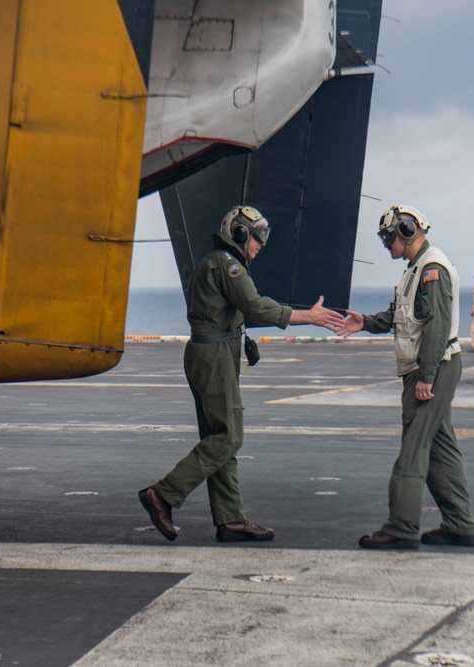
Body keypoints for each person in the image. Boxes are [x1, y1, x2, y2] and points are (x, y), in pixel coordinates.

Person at [139, 205, 344, 543]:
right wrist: (309, 316)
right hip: (215, 356)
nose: (262, 243)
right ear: (239, 233)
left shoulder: (217, 263)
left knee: (219, 438)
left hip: (210, 353)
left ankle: (230, 519)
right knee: (229, 437)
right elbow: (256, 306)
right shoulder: (228, 265)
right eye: (258, 235)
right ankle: (163, 494)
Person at [337, 205, 474, 549]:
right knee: (441, 448)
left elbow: (437, 326)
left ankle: (401, 527)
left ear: (407, 230)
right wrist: (366, 322)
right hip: (432, 366)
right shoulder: (417, 269)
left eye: (389, 236)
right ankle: (459, 524)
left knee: (413, 451)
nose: (387, 243)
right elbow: (406, 316)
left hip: (432, 367)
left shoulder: (432, 269)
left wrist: (426, 376)